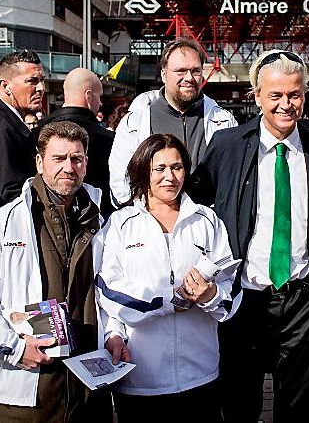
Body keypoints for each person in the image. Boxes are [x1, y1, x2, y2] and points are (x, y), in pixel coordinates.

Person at [190, 50, 309, 422]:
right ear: (256, 96)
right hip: (244, 298)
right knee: (240, 401)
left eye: (294, 95)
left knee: (300, 406)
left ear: (305, 95)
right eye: (275, 96)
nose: (285, 105)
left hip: (305, 296)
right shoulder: (227, 146)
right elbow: (199, 205)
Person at [96, 134, 237, 422]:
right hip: (140, 378)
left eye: (177, 167)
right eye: (159, 169)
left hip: (200, 375)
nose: (169, 177)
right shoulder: (120, 225)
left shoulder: (207, 222)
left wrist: (210, 297)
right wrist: (116, 334)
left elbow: (230, 287)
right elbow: (109, 291)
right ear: (142, 171)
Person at [0, 121, 111, 421]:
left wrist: (115, 335)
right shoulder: (8, 221)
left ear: (86, 164)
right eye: (58, 158)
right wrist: (15, 348)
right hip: (31, 387)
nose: (68, 167)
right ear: (39, 162)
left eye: (76, 159)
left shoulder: (103, 220)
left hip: (89, 386)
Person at [109, 37, 237, 206]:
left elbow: (232, 179)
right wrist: (144, 216)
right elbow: (121, 183)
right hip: (152, 224)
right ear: (164, 74)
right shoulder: (135, 122)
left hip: (206, 224)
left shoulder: (224, 121)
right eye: (180, 71)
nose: (189, 78)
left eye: (196, 71)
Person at [35, 68, 115, 218]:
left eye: (77, 159)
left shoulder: (36, 132)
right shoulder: (110, 140)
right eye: (99, 97)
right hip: (99, 218)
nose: (69, 169)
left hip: (44, 217)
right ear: (89, 96)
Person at [0, 49, 44, 206]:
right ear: (6, 86)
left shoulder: (11, 121)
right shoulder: (3, 125)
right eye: (32, 81)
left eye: (41, 80)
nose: (40, 88)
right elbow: (9, 191)